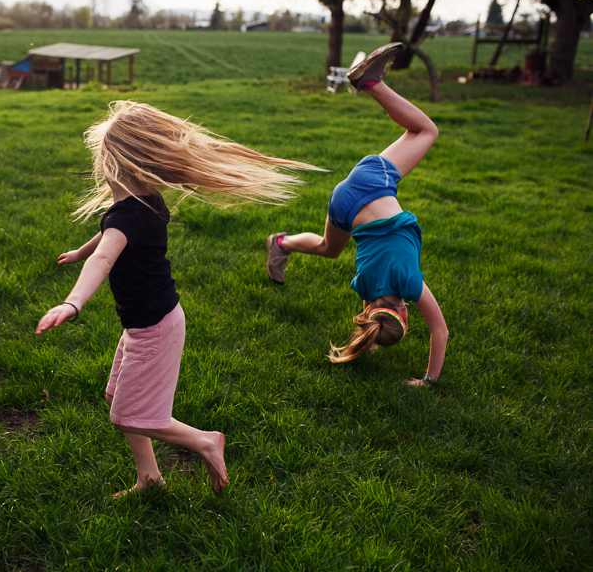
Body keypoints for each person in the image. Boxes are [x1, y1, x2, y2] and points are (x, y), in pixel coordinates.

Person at [36, 101, 316, 496]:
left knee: (127, 416)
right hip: (152, 322)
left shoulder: (126, 216)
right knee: (116, 397)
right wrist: (81, 251)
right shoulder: (142, 203)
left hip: (152, 328)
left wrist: (72, 302)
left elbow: (106, 256)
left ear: (115, 161)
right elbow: (105, 240)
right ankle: (150, 477)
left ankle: (204, 440)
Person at [265, 43, 449, 387]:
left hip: (372, 182)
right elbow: (375, 307)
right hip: (345, 202)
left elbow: (440, 330)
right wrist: (370, 334)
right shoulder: (363, 286)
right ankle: (281, 243)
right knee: (327, 248)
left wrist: (429, 379)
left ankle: (371, 83)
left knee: (426, 131)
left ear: (405, 312)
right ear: (369, 313)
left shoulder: (410, 281)